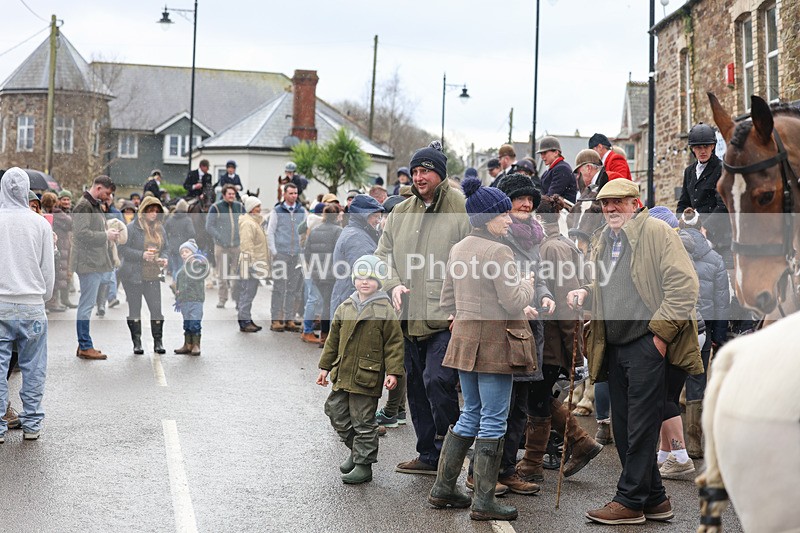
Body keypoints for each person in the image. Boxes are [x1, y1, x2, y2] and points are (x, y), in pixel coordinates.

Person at [567, 179, 701, 525]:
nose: (611, 208)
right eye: (606, 203)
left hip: (647, 344)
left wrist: (658, 336)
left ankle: (629, 500)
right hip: (615, 345)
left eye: (618, 202)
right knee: (626, 427)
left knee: (640, 428)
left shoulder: (657, 232)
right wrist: (586, 293)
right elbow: (603, 284)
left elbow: (684, 286)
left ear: (635, 203)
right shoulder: (604, 239)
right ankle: (655, 499)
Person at [430, 177, 536, 521]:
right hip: (495, 345)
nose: (508, 219)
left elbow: (447, 300)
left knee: (470, 413)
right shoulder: (499, 251)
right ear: (486, 218)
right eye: (503, 215)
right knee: (493, 418)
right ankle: (484, 501)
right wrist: (528, 285)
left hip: (464, 341)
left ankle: (444, 488)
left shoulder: (459, 248)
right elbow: (512, 300)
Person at [374, 141, 471, 475]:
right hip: (407, 315)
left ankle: (453, 450)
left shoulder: (460, 207)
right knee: (415, 388)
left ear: (440, 174)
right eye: (415, 171)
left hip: (445, 316)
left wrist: (462, 308)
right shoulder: (400, 212)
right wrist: (393, 283)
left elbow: (472, 257)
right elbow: (382, 255)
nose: (418, 176)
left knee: (437, 381)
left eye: (425, 170)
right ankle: (429, 455)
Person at [515, 194, 603, 485]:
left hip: (552, 340)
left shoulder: (552, 248)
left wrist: (574, 351)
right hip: (550, 338)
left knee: (537, 398)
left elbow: (567, 303)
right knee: (538, 397)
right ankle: (580, 443)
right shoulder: (556, 244)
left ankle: (532, 463)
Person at [488, 173, 553, 495]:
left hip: (530, 333)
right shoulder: (497, 239)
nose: (526, 203)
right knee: (498, 407)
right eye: (519, 198)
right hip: (503, 333)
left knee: (519, 409)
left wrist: (544, 295)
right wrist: (515, 305)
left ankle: (508, 469)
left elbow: (538, 277)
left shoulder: (535, 237)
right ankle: (483, 474)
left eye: (530, 199)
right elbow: (491, 287)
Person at [317, 254, 404, 484]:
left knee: (363, 421)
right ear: (354, 279)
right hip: (343, 373)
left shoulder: (385, 310)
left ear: (379, 282)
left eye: (371, 278)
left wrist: (393, 372)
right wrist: (325, 368)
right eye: (360, 277)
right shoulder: (345, 307)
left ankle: (364, 466)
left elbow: (394, 344)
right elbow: (332, 340)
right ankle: (357, 452)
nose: (365, 282)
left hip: (367, 376)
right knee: (335, 410)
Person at [0, 167, 55, 442]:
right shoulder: (40, 223)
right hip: (32, 302)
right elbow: (48, 271)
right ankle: (32, 423)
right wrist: (42, 297)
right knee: (34, 366)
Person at [678, 207, 730, 460]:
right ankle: (694, 442)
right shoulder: (716, 259)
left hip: (677, 325)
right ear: (702, 228)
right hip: (704, 329)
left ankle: (670, 443)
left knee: (671, 378)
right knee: (697, 380)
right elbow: (722, 303)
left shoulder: (674, 252)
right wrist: (720, 336)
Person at [72, 175, 119, 360]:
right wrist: (105, 235)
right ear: (98, 188)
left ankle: (83, 344)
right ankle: (85, 346)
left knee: (87, 305)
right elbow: (81, 234)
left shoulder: (92, 205)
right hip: (88, 263)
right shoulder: (84, 206)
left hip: (93, 262)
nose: (108, 197)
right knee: (86, 306)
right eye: (107, 193)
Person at [676, 123, 731, 268]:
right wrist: (681, 221)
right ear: (692, 149)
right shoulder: (689, 171)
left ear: (713, 146)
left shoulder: (722, 169)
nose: (703, 151)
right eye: (699, 147)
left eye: (706, 146)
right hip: (696, 236)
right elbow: (683, 202)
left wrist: (705, 227)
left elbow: (723, 205)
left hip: (719, 237)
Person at [118, 195, 169, 355]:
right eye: (150, 210)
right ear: (144, 211)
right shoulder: (133, 227)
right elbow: (123, 250)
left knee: (156, 310)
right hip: (133, 275)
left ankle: (158, 342)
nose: (154, 214)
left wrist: (164, 259)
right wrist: (142, 255)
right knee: (135, 310)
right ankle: (137, 343)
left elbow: (166, 248)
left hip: (153, 275)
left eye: (156, 211)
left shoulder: (160, 228)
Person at [329, 195, 384, 315]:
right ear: (363, 216)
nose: (378, 221)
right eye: (375, 216)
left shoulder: (355, 232)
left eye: (379, 217)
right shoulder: (357, 238)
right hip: (353, 303)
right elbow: (364, 276)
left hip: (345, 297)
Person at [266, 182, 306, 331]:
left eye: (296, 193)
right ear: (284, 194)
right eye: (291, 193)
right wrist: (274, 252)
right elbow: (270, 232)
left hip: (296, 255)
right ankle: (276, 319)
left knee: (292, 289)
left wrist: (301, 250)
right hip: (281, 254)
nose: (294, 196)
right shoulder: (277, 211)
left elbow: (304, 232)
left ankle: (289, 318)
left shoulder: (302, 211)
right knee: (278, 288)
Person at [304, 205, 343, 346]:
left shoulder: (314, 230)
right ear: (337, 215)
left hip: (317, 273)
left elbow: (307, 253)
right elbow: (340, 253)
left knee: (323, 303)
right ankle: (325, 337)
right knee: (328, 305)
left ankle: (324, 335)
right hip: (331, 273)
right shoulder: (338, 231)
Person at [205, 184, 244, 309]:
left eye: (233, 194)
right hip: (221, 246)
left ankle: (237, 300)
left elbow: (246, 222)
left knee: (237, 275)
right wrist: (220, 237)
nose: (232, 196)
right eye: (229, 194)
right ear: (224, 195)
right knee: (222, 274)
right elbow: (209, 226)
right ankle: (222, 299)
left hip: (237, 246)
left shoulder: (240, 207)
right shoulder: (216, 207)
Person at [173, 239, 209, 356]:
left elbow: (205, 271)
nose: (184, 254)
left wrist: (202, 262)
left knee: (194, 322)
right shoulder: (182, 269)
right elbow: (180, 282)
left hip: (196, 299)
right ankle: (187, 344)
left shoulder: (197, 265)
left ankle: (196, 345)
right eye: (182, 252)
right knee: (187, 323)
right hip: (184, 300)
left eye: (187, 252)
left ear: (194, 253)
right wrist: (177, 293)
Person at [237, 196, 268, 333]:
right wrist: (250, 263)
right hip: (249, 263)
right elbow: (246, 245)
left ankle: (247, 319)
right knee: (247, 293)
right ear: (250, 209)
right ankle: (244, 321)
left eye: (259, 206)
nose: (259, 209)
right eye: (256, 207)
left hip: (254, 262)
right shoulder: (248, 224)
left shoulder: (254, 222)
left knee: (250, 292)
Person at [41, 192, 73, 313]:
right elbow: (70, 223)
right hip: (58, 246)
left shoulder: (47, 213)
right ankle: (52, 302)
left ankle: (53, 302)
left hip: (57, 245)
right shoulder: (57, 214)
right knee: (55, 275)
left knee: (55, 274)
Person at [537, 136, 577, 203]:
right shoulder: (548, 171)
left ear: (556, 152)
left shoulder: (562, 169)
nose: (542, 157)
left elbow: (551, 196)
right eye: (541, 153)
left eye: (545, 153)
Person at [165, 199, 196, 281]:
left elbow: (164, 231)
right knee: (181, 267)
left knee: (175, 268)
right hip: (183, 248)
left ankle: (174, 283)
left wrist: (169, 240)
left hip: (172, 246)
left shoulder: (171, 219)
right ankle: (179, 286)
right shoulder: (187, 220)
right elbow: (192, 233)